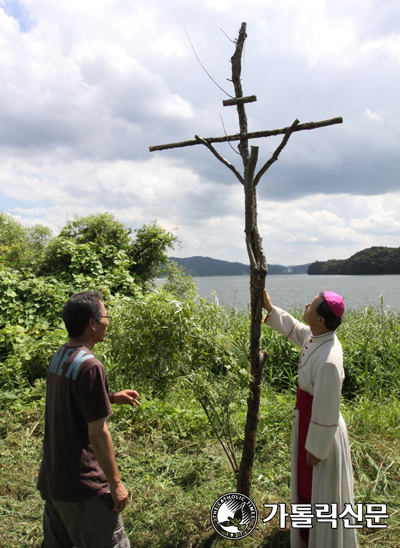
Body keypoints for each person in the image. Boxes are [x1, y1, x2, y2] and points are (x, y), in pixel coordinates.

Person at [37, 291, 140, 548]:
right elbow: (97, 432)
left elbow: (71, 399)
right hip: (83, 490)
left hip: (54, 481)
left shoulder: (61, 355)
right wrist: (116, 485)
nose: (108, 321)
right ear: (92, 323)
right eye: (105, 316)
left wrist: (111, 396)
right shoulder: (91, 366)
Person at [263, 289, 357, 548]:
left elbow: (327, 408)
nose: (307, 304)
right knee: (310, 486)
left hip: (319, 432)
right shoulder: (318, 337)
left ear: (321, 319)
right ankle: (309, 535)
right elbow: (296, 330)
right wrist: (269, 308)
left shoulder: (329, 359)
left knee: (320, 487)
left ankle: (322, 540)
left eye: (312, 304)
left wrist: (316, 448)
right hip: (308, 421)